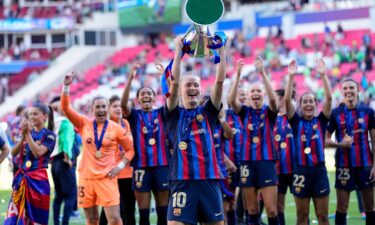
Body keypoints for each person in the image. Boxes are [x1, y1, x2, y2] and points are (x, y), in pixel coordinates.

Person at [165, 36, 226, 225]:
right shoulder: (173, 114)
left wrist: (221, 50)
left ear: (200, 91)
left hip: (209, 181)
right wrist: (177, 50)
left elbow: (219, 81)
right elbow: (173, 82)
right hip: (182, 182)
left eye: (196, 85)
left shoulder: (208, 112)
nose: (192, 87)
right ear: (181, 91)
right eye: (188, 85)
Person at [61, 72, 135, 225]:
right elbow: (65, 107)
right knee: (92, 219)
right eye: (98, 107)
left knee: (114, 219)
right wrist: (66, 86)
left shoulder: (116, 128)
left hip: (107, 178)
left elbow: (130, 150)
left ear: (107, 108)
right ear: (91, 109)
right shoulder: (84, 123)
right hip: (86, 178)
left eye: (103, 107)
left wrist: (119, 166)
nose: (101, 110)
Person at [228, 58, 279, 225]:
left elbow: (273, 100)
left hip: (266, 162)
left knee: (272, 209)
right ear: (248, 96)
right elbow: (231, 101)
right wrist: (237, 75)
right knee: (252, 209)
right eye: (252, 92)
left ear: (262, 94)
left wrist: (263, 73)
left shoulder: (269, 111)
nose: (256, 94)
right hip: (247, 163)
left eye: (259, 91)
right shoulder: (244, 112)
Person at [121, 63, 169, 225]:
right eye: (143, 94)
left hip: (162, 166)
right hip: (141, 167)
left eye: (149, 93)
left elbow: (172, 96)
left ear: (155, 98)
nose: (146, 95)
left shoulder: (162, 113)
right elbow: (122, 105)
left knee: (163, 213)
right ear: (138, 99)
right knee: (144, 215)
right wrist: (130, 78)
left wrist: (165, 78)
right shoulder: (134, 115)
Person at [285, 59, 332, 225]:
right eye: (305, 101)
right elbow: (286, 102)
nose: (308, 104)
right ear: (300, 105)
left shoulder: (322, 120)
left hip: (319, 171)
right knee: (301, 216)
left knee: (323, 217)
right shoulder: (295, 121)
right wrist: (291, 77)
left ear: (315, 104)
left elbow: (329, 98)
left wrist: (323, 75)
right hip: (300, 172)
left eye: (311, 101)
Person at [325, 78, 375, 225]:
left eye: (351, 88)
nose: (348, 91)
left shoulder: (368, 112)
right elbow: (326, 140)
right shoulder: (336, 113)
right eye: (345, 88)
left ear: (358, 90)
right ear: (342, 91)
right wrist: (341, 144)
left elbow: (374, 138)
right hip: (343, 166)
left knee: (370, 206)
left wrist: (374, 166)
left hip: (365, 165)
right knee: (342, 207)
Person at [5, 103, 56, 225]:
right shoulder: (26, 132)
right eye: (30, 114)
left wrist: (27, 135)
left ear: (44, 116)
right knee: (15, 216)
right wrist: (23, 136)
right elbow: (13, 152)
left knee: (36, 219)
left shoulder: (49, 135)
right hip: (22, 178)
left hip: (38, 180)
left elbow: (38, 152)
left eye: (35, 114)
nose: (32, 117)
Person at [99, 95, 136, 225]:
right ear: (108, 109)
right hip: (112, 174)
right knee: (111, 211)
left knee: (129, 210)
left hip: (129, 173)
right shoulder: (104, 126)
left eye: (120, 106)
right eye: (115, 106)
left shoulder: (126, 123)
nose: (119, 109)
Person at [50, 96, 81, 225]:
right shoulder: (66, 123)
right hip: (64, 161)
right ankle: (65, 223)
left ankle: (57, 222)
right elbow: (66, 141)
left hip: (54, 163)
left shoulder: (54, 123)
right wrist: (68, 158)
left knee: (58, 195)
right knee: (70, 194)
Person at [274, 89, 296, 225]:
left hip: (296, 169)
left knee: (302, 205)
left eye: (275, 98)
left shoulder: (294, 116)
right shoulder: (271, 118)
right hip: (278, 170)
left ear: (282, 99)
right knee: (279, 206)